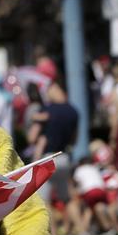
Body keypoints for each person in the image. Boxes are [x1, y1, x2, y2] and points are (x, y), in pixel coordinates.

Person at [34, 81, 78, 213]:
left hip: (47, 158)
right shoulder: (73, 111)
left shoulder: (48, 110)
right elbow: (74, 139)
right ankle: (82, 230)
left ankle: (54, 234)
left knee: (44, 201)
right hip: (64, 157)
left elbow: (33, 136)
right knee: (66, 198)